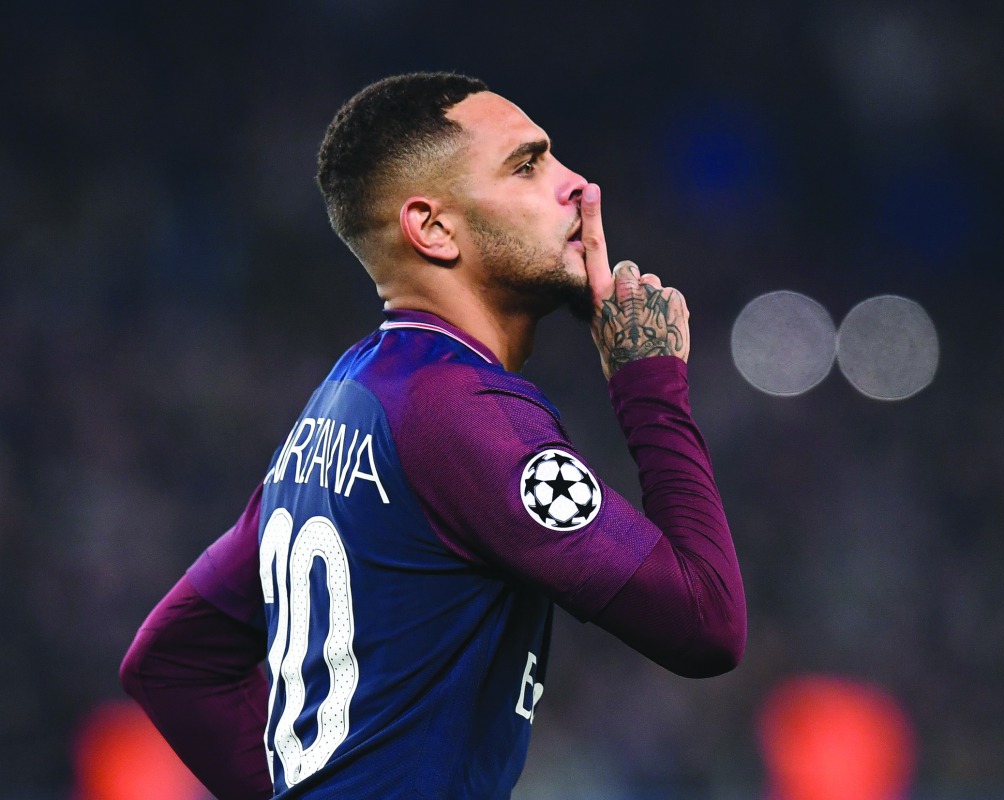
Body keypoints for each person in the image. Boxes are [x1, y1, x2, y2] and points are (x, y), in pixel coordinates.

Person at [120, 72, 746, 799]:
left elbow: (170, 661)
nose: (580, 187)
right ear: (433, 228)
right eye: (528, 165)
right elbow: (707, 624)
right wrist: (650, 383)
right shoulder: (461, 414)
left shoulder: (349, 400)